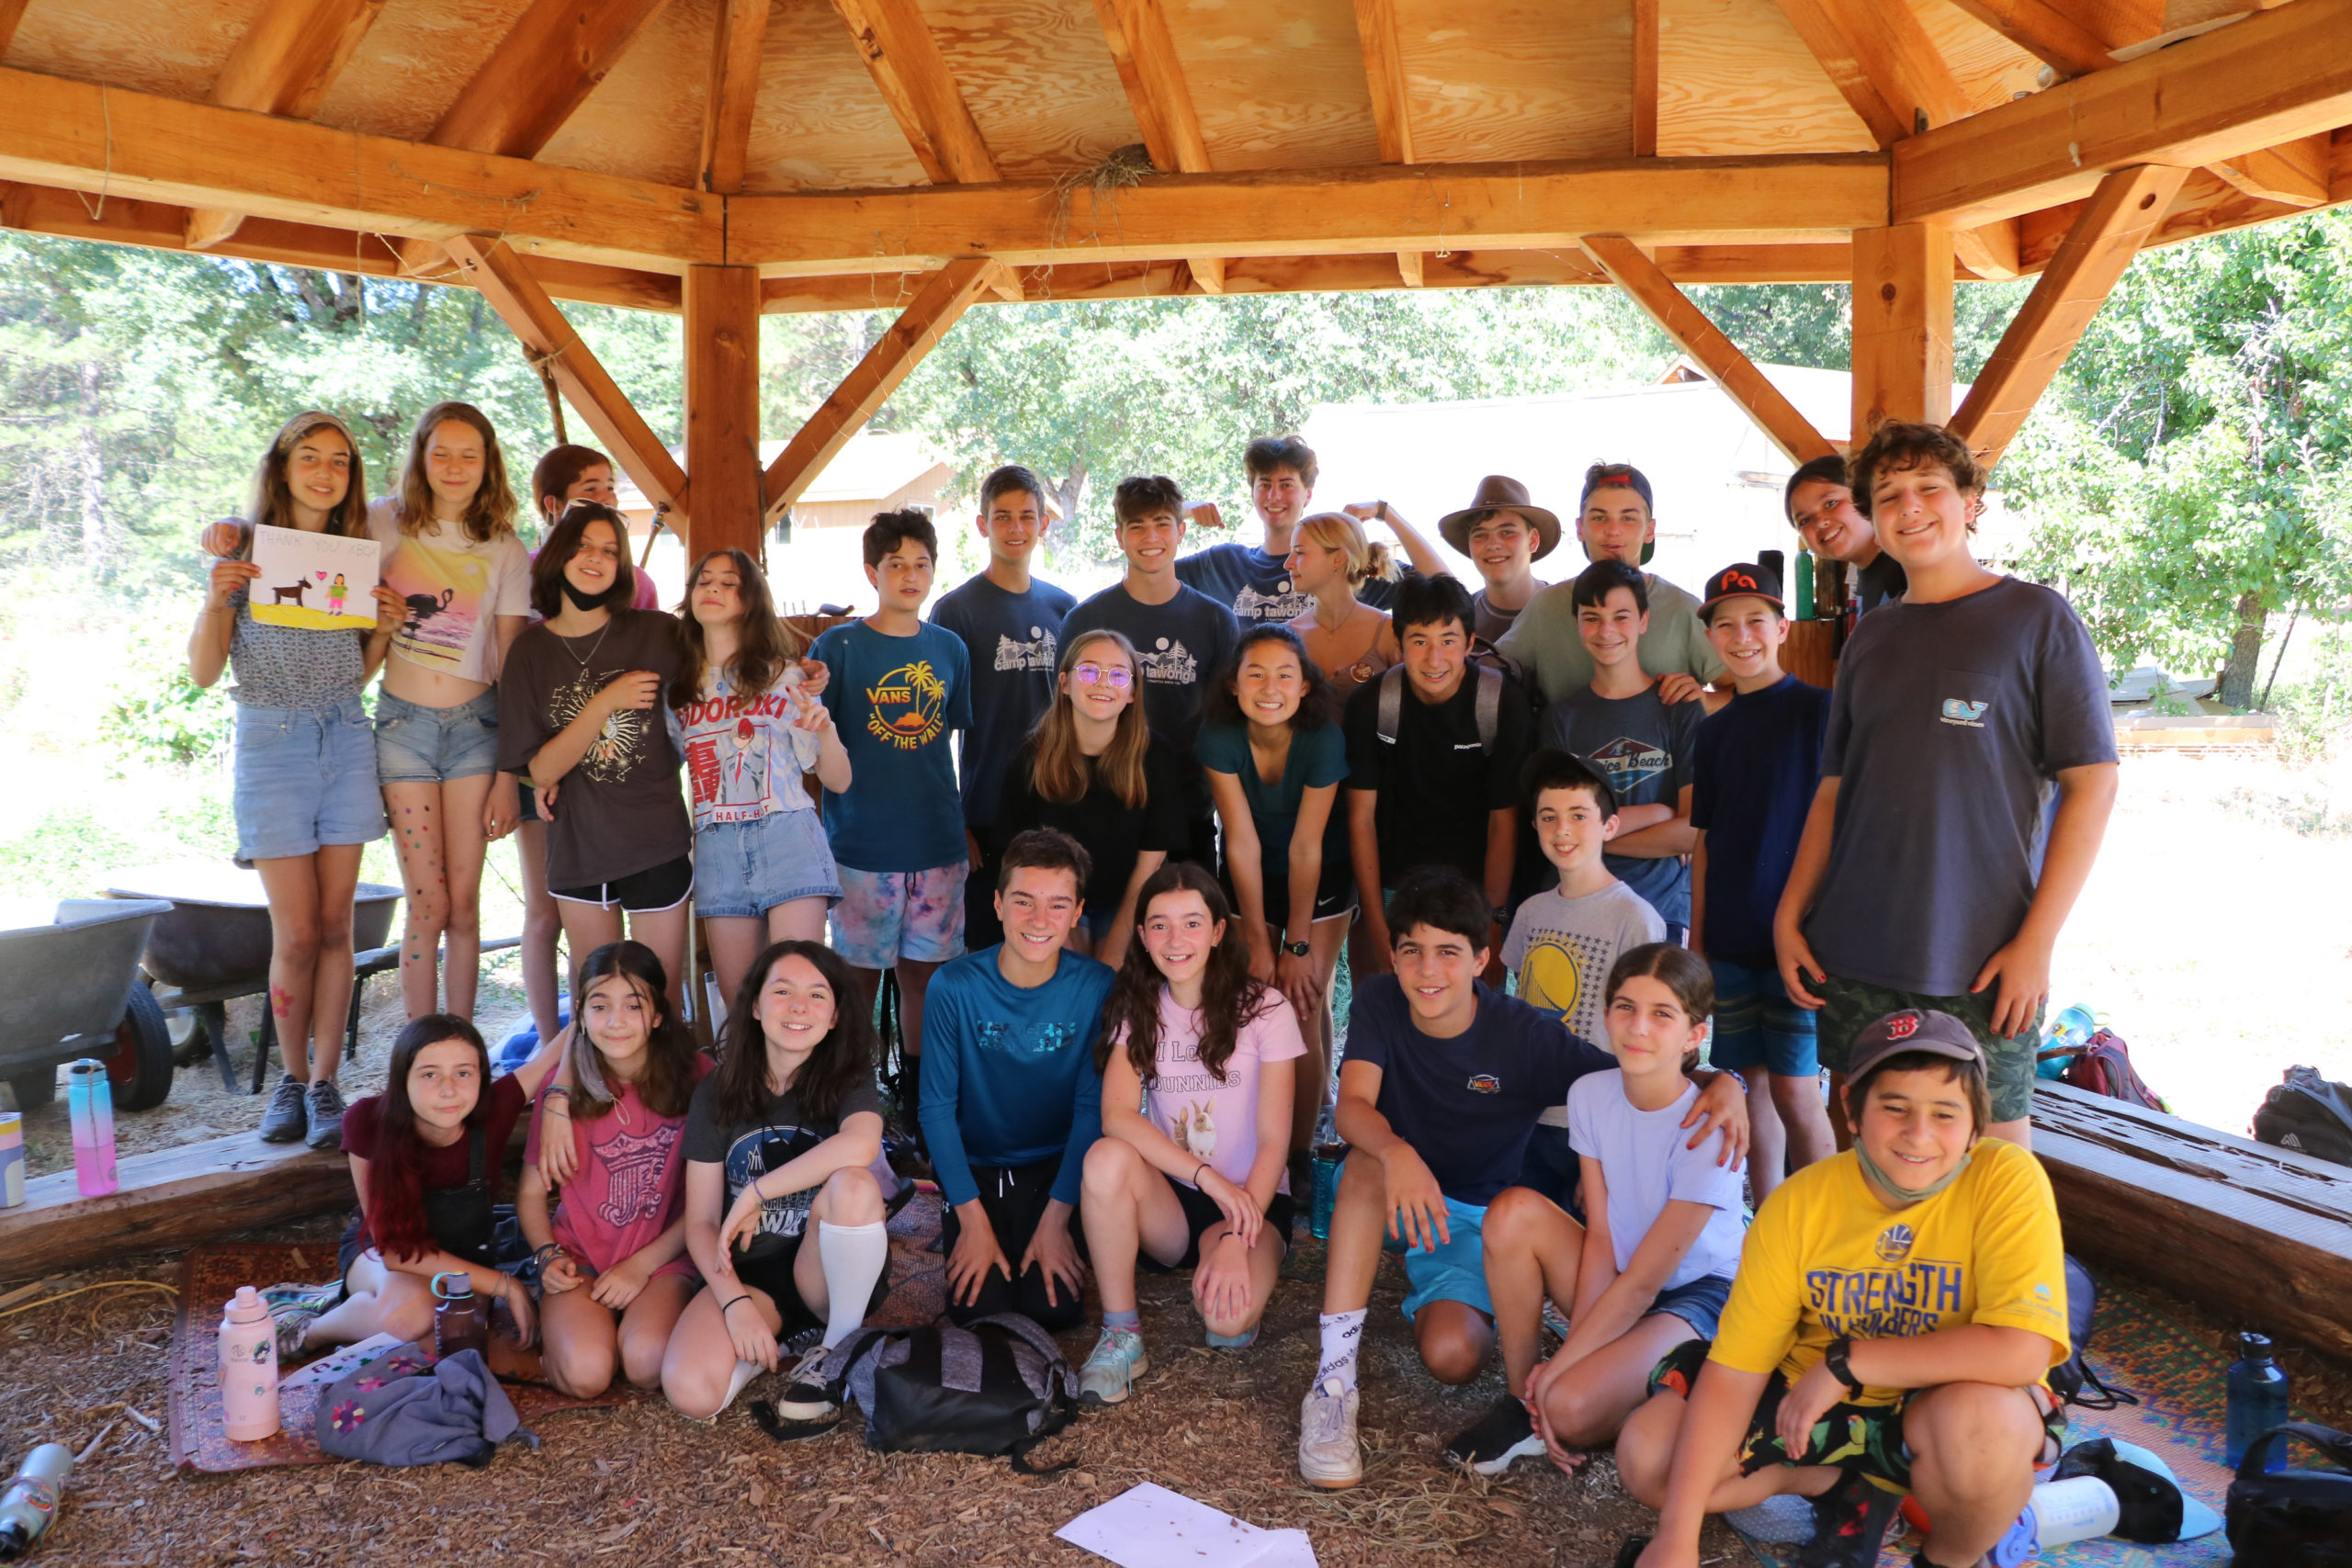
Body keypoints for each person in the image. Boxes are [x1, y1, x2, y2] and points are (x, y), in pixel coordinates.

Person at [1296, 867, 1747, 1490]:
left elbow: (1647, 1071)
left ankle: (1625, 1387)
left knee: (1462, 1357)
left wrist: (1729, 1082)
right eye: (1412, 951)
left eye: (1448, 951)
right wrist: (1399, 1152)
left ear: (1483, 959)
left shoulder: (1530, 1039)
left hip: (1521, 1234)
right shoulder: (1381, 999)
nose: (1428, 970)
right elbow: (1352, 1109)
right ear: (1393, 957)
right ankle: (1334, 1381)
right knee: (1367, 1165)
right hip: (1408, 1194)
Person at [1774, 423, 2119, 1152]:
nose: (1910, 507)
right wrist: (1789, 913)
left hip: (1984, 955)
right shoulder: (1871, 638)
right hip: (1855, 948)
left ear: (1971, 500)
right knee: (1866, 1150)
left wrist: (2036, 942)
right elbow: (1835, 790)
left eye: (1929, 487)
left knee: (1995, 1161)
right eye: (1888, 495)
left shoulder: (2037, 619)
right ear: (1872, 516)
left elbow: (2093, 784)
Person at [1620, 1010, 2071, 1568]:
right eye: (1895, 1108)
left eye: (1945, 1113)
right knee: (1649, 1461)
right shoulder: (1798, 1203)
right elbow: (1736, 1371)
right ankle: (1838, 1486)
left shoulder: (2006, 1178)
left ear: (1978, 1124)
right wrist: (1677, 1537)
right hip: (1808, 1404)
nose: (1919, 1133)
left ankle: (1950, 1558)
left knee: (1986, 1432)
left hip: (1936, 1404)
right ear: (1852, 1110)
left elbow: (2022, 1350)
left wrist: (1849, 1364)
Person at [1445, 943, 1747, 1477]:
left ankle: (1669, 1388)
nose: (1639, 1028)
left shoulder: (1709, 1129)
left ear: (1694, 1035)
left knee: (1570, 1406)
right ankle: (1522, 1404)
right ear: (1606, 1015)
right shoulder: (1590, 1094)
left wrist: (1563, 1368)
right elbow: (1602, 1238)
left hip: (1700, 1294)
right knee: (1512, 1212)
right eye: (1626, 1007)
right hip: (1625, 1276)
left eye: (1662, 1014)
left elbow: (1644, 1285)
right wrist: (1565, 1362)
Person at [188, 412, 404, 1150]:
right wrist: (216, 595)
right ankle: (290, 1077)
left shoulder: (355, 557)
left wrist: (384, 629)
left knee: (339, 926)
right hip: (270, 742)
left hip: (345, 735)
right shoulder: (243, 549)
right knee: (300, 931)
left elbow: (352, 675)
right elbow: (203, 671)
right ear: (280, 467)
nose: (325, 472)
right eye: (309, 457)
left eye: (339, 461)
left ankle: (324, 1084)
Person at [1076, 863, 1304, 1404]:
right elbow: (1117, 1116)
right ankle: (1122, 1334)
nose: (1175, 939)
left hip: (1252, 1199)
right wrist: (1207, 1180)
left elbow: (1276, 1141)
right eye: (1159, 925)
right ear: (1142, 936)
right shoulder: (1138, 1008)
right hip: (1174, 1201)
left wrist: (1236, 1234)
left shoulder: (1266, 1010)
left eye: (1192, 923)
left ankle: (1234, 1260)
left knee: (1227, 1324)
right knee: (1105, 1157)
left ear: (1219, 931)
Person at [663, 940, 894, 1422]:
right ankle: (781, 1344)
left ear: (834, 1016)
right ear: (754, 1005)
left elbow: (862, 1144)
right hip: (754, 1272)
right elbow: (702, 1221)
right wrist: (734, 1303)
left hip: (829, 1270)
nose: (798, 1006)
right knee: (691, 1392)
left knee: (854, 1185)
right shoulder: (717, 1090)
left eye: (817, 995)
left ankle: (837, 1350)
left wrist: (756, 1191)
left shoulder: (849, 1077)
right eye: (783, 991)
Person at [368, 402, 534, 1023]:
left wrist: (508, 775)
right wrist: (237, 526)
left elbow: (512, 664)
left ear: (489, 463)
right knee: (427, 903)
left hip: (476, 732)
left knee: (464, 905)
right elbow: (306, 542)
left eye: (470, 455)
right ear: (421, 456)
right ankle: (419, 1049)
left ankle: (461, 1044)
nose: (455, 467)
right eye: (441, 453)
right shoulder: (384, 522)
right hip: (402, 729)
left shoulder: (505, 548)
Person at [917, 829, 1117, 1333]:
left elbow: (1092, 1107)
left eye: (1057, 905)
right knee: (977, 1310)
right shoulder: (953, 986)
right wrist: (972, 1221)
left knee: (1054, 1309)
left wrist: (1057, 1219)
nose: (1039, 920)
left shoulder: (1097, 987)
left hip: (1056, 1169)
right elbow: (935, 1108)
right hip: (978, 1169)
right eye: (1024, 901)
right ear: (998, 904)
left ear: (1077, 913)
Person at [277, 1011, 566, 1359]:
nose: (449, 1090)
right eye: (430, 1074)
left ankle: (363, 1314)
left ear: (481, 1077)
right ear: (403, 1079)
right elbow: (395, 1251)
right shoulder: (368, 1120)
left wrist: (590, 1010)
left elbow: (554, 1056)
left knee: (448, 1340)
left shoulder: (494, 1107)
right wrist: (508, 1286)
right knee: (409, 1316)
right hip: (384, 1254)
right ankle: (312, 1330)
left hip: (464, 1260)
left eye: (463, 1073)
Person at [495, 502, 692, 1011]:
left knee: (660, 1004)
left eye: (609, 551)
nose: (596, 559)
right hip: (579, 848)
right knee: (599, 1005)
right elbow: (540, 770)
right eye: (583, 546)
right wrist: (605, 702)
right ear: (559, 554)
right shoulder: (529, 652)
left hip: (656, 840)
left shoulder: (657, 631)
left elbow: (727, 664)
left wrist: (796, 671)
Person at [809, 510, 973, 1103]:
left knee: (925, 977)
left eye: (921, 564)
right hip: (861, 844)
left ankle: (917, 1097)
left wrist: (966, 826)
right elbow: (813, 744)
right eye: (896, 564)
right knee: (856, 980)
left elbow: (954, 743)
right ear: (871, 572)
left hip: (936, 843)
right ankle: (854, 1093)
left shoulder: (950, 648)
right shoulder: (838, 646)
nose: (910, 575)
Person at [1690, 563, 1835, 1200]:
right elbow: (1704, 841)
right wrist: (1698, 940)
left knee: (1798, 1089)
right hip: (1729, 939)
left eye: (1756, 621)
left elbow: (1840, 827)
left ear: (1782, 629)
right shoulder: (1713, 730)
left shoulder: (1820, 711)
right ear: (1710, 638)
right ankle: (1771, 1215)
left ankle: (1831, 1226)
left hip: (1798, 941)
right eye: (1725, 625)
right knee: (1752, 1087)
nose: (1741, 636)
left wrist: (1819, 926)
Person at [506, 443, 658, 1050]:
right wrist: (523, 773)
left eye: (610, 487)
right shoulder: (523, 575)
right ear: (552, 504)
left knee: (616, 907)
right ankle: (556, 1046)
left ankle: (626, 1039)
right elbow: (517, 679)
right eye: (591, 488)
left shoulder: (638, 584)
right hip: (542, 764)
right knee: (548, 910)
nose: (606, 497)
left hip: (614, 773)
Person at [515, 942, 708, 1398]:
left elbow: (710, 1202)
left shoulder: (697, 1077)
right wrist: (546, 1255)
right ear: (581, 1015)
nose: (616, 1021)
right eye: (600, 1006)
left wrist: (641, 1267)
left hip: (662, 1256)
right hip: (579, 1257)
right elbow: (529, 1194)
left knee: (647, 1364)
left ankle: (621, 1328)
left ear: (657, 1014)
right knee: (586, 1375)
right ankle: (566, 1338)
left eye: (633, 1005)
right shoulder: (561, 1092)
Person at [671, 547, 849, 1008]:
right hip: (717, 849)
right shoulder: (678, 686)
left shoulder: (787, 677)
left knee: (797, 997)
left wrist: (826, 730)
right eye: (704, 580)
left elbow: (838, 780)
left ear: (750, 600)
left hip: (788, 839)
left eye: (729, 583)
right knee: (741, 1007)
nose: (713, 588)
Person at [1196, 626, 1351, 1154]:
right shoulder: (1219, 735)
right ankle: (1257, 1139)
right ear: (1233, 685)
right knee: (1260, 998)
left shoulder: (1322, 738)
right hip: (1250, 869)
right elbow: (1239, 841)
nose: (1270, 688)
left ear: (1304, 685)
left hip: (1322, 869)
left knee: (1301, 1002)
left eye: (1285, 675)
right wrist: (1261, 944)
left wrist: (1297, 945)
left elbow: (1307, 846)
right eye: (1255, 674)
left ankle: (1300, 1158)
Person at [1500, 749, 1667, 1209]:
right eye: (1548, 817)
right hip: (1531, 1113)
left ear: (1609, 826)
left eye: (1578, 815)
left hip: (1600, 1121)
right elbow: (1523, 1004)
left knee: (1595, 1236)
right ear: (1535, 825)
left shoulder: (1635, 919)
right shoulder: (1531, 912)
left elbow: (1646, 1033)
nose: (1563, 830)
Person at [1342, 574, 1532, 971]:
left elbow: (1504, 821)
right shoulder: (1370, 704)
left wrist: (1493, 925)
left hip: (1476, 888)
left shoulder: (1501, 703)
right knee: (1390, 999)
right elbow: (1360, 819)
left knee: (1472, 1002)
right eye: (1419, 642)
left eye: (1448, 641)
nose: (1434, 659)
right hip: (1395, 883)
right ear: (1399, 644)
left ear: (1469, 642)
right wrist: (1377, 928)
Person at [930, 464, 1077, 951]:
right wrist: (955, 820)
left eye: (1027, 516)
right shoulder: (956, 611)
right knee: (989, 948)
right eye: (1003, 517)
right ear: (982, 525)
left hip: (1058, 799)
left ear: (1044, 524)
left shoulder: (1065, 608)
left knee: (1054, 944)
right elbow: (935, 732)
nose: (1016, 528)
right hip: (986, 810)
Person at [1060, 476, 1240, 872]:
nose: (1151, 537)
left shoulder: (1216, 621)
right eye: (1137, 526)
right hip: (1103, 806)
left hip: (1188, 811)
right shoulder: (1085, 620)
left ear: (1181, 531)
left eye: (1161, 524)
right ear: (1119, 537)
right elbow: (1062, 721)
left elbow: (1226, 725)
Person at [993, 629, 1186, 968]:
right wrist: (1058, 928)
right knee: (1066, 970)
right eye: (1088, 671)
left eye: (1118, 675)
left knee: (1115, 975)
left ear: (1132, 693)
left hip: (1128, 896)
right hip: (1055, 897)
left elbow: (1150, 864)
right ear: (1065, 683)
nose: (1103, 683)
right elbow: (1021, 858)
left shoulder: (1156, 756)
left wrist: (1117, 944)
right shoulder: (1030, 757)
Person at [1536, 561, 1704, 943]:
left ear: (1644, 620)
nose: (1606, 630)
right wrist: (1659, 815)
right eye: (1592, 618)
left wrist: (1592, 838)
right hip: (1577, 908)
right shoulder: (1562, 718)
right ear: (1577, 624)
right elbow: (1557, 829)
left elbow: (1692, 831)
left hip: (1661, 910)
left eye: (1621, 616)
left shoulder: (1678, 707)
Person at [1497, 462, 1726, 708]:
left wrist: (1703, 702)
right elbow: (1487, 677)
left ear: (1650, 530)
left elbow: (1745, 694)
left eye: (1628, 518)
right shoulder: (1546, 607)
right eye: (1599, 517)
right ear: (1580, 528)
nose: (1613, 530)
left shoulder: (1683, 609)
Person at [1177, 436, 1440, 622]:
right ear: (1253, 493)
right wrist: (1180, 511)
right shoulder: (1223, 563)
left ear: (1308, 494)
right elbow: (1152, 573)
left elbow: (1443, 585)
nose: (1274, 495)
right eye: (1264, 484)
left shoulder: (1340, 563)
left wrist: (1385, 512)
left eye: (1287, 485)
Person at [1284, 511, 1401, 703]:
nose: (1287, 564)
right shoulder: (1287, 634)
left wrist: (1385, 510)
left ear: (1338, 558)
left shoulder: (1389, 633)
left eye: (1300, 552)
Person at [1433, 475, 1561, 646]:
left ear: (1533, 540)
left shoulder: (1567, 611)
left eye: (1507, 532)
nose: (1493, 544)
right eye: (1480, 535)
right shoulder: (1459, 620)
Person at [1785, 454, 1906, 617]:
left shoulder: (1910, 568)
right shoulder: (1870, 575)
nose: (1820, 522)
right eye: (1805, 520)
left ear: (1867, 496)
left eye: (1831, 503)